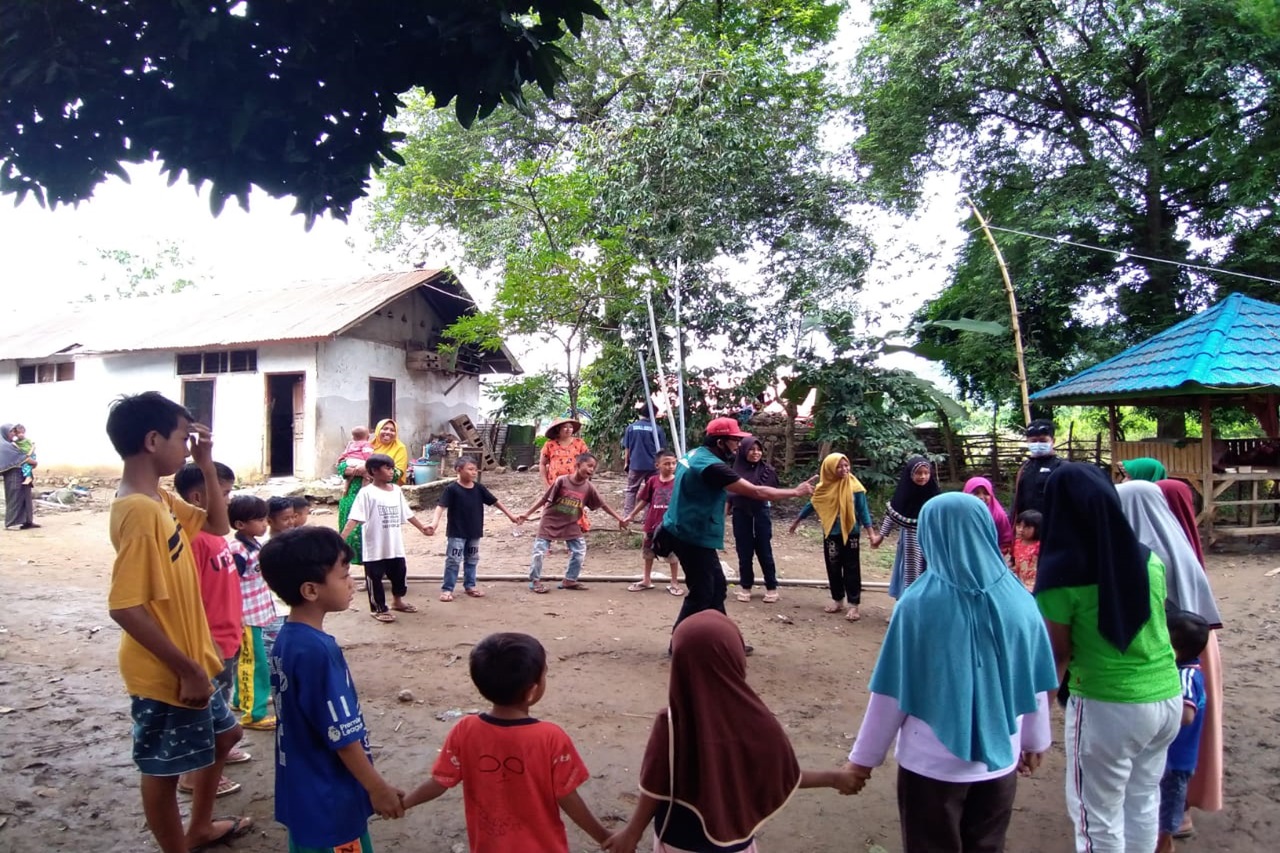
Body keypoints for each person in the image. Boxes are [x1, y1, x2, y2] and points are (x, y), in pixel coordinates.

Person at [845, 493, 1059, 853]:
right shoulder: (1021, 601)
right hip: (1001, 760)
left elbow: (892, 692)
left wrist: (863, 760)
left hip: (930, 767)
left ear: (931, 535)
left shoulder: (916, 605)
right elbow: (1033, 680)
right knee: (987, 844)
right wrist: (1036, 740)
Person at [103, 392, 251, 853]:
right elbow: (125, 606)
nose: (188, 447)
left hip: (190, 658)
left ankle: (200, 826)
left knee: (227, 733)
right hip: (167, 669)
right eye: (183, 438)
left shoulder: (158, 499)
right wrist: (186, 669)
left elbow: (217, 526)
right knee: (163, 770)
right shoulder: (140, 511)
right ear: (152, 440)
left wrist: (206, 463)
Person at [602, 611, 860, 853]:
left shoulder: (671, 722)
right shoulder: (759, 721)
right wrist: (833, 778)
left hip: (678, 839)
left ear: (680, 664)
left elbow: (655, 787)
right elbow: (782, 775)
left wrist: (632, 832)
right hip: (738, 841)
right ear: (735, 657)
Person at [1035, 462, 1181, 853]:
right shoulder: (1148, 560)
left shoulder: (1060, 576)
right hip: (1166, 696)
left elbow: (1057, 655)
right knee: (1142, 802)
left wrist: (1034, 726)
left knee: (1095, 817)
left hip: (1107, 705)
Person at [259, 526, 406, 851]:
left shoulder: (287, 637)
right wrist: (376, 787)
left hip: (303, 788)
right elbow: (342, 734)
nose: (352, 583)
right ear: (311, 590)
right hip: (329, 794)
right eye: (343, 576)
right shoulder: (318, 652)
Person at [402, 632, 611, 852]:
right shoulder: (550, 737)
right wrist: (604, 837)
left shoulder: (465, 729)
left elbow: (440, 782)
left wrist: (404, 803)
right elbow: (568, 796)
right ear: (532, 691)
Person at [1118, 479, 1226, 834]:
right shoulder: (1179, 545)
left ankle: (1167, 816)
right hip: (1197, 648)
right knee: (1187, 736)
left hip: (1166, 651)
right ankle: (1181, 809)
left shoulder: (1142, 553)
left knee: (1161, 736)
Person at [656, 417, 814, 638]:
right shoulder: (713, 467)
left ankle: (723, 639)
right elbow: (757, 492)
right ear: (720, 442)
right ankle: (679, 642)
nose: (739, 445)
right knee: (703, 592)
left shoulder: (694, 454)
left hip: (684, 530)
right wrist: (796, 492)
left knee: (717, 588)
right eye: (734, 440)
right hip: (691, 536)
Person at [173, 462, 249, 798]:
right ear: (198, 497)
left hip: (229, 635)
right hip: (209, 643)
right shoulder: (193, 540)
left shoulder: (217, 537)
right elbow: (189, 600)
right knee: (203, 712)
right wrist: (203, 641)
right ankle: (193, 774)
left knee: (223, 697)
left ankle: (218, 753)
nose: (229, 501)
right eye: (226, 493)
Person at [1157, 479, 1223, 823]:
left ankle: (1174, 819)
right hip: (1194, 643)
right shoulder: (1184, 542)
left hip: (1179, 645)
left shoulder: (1160, 549)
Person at [789, 452, 881, 621]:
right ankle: (837, 600)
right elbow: (812, 504)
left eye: (846, 465)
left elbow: (863, 510)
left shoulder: (855, 487)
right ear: (829, 469)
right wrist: (797, 521)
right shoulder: (823, 488)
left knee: (852, 568)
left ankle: (854, 605)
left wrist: (871, 533)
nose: (844, 469)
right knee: (833, 567)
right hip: (831, 533)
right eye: (839, 466)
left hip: (851, 533)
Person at [520, 452, 628, 593]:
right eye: (589, 466)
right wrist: (527, 514)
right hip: (550, 521)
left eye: (593, 468)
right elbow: (544, 499)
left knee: (579, 551)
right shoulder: (562, 481)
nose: (591, 470)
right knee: (539, 552)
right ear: (577, 465)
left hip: (570, 523)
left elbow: (603, 505)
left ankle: (569, 580)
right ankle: (535, 581)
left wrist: (619, 518)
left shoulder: (589, 487)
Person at [339, 453, 429, 621]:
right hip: (375, 547)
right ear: (374, 470)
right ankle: (378, 609)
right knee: (375, 579)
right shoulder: (366, 493)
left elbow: (407, 513)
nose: (391, 472)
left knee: (399, 574)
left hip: (394, 545)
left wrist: (422, 528)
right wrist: (341, 538)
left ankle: (397, 601)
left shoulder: (396, 491)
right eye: (387, 468)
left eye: (392, 468)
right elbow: (355, 517)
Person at [425, 456, 521, 601]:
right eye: (470, 469)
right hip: (456, 532)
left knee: (472, 559)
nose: (474, 472)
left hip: (474, 532)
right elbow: (441, 506)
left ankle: (470, 585)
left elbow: (495, 502)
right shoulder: (451, 489)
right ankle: (447, 589)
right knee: (453, 560)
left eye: (475, 470)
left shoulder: (479, 488)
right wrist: (434, 523)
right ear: (458, 470)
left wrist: (511, 516)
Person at [1156, 609, 1210, 853]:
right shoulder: (1184, 669)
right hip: (1171, 757)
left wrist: (1157, 715)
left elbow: (1186, 715)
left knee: (1168, 807)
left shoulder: (1187, 675)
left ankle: (1164, 845)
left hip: (1176, 759)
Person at [227, 494, 277, 731]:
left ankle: (241, 699)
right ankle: (253, 714)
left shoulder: (253, 543)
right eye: (259, 520)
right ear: (240, 524)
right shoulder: (238, 550)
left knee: (247, 661)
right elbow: (229, 585)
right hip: (245, 616)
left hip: (255, 613)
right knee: (254, 663)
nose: (265, 523)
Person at [876, 455, 940, 599]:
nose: (923, 477)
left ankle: (924, 611)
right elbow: (892, 515)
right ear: (910, 474)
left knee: (929, 574)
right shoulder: (903, 494)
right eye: (918, 473)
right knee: (909, 574)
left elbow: (942, 519)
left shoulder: (934, 495)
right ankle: (904, 610)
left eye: (926, 473)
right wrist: (880, 537)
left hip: (930, 543)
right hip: (910, 543)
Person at [623, 448, 683, 595]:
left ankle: (674, 582)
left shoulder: (679, 482)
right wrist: (631, 515)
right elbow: (644, 500)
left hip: (670, 525)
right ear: (657, 465)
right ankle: (646, 580)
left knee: (673, 555)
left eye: (673, 463)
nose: (670, 466)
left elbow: (684, 503)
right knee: (648, 553)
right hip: (651, 524)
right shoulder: (652, 481)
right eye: (667, 463)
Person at [730, 436, 782, 604]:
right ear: (743, 451)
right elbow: (729, 497)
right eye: (751, 449)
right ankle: (745, 586)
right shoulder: (734, 472)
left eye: (758, 449)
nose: (755, 453)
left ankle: (771, 587)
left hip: (761, 514)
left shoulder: (768, 470)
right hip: (740, 514)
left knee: (764, 550)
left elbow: (771, 493)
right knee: (744, 552)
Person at [540, 416, 592, 531]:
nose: (568, 429)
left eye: (570, 427)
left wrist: (585, 479)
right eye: (565, 427)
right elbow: (542, 464)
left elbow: (587, 462)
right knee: (553, 509)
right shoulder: (549, 445)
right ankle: (547, 537)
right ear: (558, 429)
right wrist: (545, 484)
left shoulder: (579, 443)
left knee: (573, 508)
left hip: (575, 482)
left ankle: (572, 538)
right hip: (555, 483)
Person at [1012, 418, 1063, 518]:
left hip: (1052, 524)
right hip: (1027, 526)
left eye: (1043, 440)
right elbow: (1018, 500)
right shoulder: (1025, 467)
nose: (1038, 444)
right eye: (1034, 441)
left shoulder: (1061, 467)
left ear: (1053, 441)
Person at [622, 401, 665, 516]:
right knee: (652, 491)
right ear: (654, 414)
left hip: (636, 464)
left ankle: (627, 515)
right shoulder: (657, 429)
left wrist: (626, 462)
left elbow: (627, 448)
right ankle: (648, 516)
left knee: (631, 490)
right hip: (653, 465)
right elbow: (661, 450)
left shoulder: (631, 428)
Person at [962, 476, 1013, 555]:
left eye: (986, 493)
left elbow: (1005, 541)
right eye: (976, 493)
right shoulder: (959, 515)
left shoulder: (998, 515)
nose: (981, 497)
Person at [1, 423, 37, 530]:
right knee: (15, 497)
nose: (13, 434)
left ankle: (27, 521)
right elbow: (22, 457)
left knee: (26, 496)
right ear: (5, 432)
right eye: (11, 431)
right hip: (13, 475)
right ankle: (12, 523)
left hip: (22, 472)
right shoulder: (5, 446)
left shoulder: (14, 444)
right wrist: (34, 462)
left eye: (14, 431)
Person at [369, 418, 410, 484]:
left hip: (389, 488)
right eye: (385, 429)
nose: (388, 432)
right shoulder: (368, 446)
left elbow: (398, 473)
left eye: (392, 430)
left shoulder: (400, 447)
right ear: (378, 430)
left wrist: (367, 473)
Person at [1011, 509, 1042, 590]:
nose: (1021, 529)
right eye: (1018, 526)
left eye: (1026, 527)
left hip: (1034, 584)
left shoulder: (1040, 546)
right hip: (1020, 582)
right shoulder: (1017, 543)